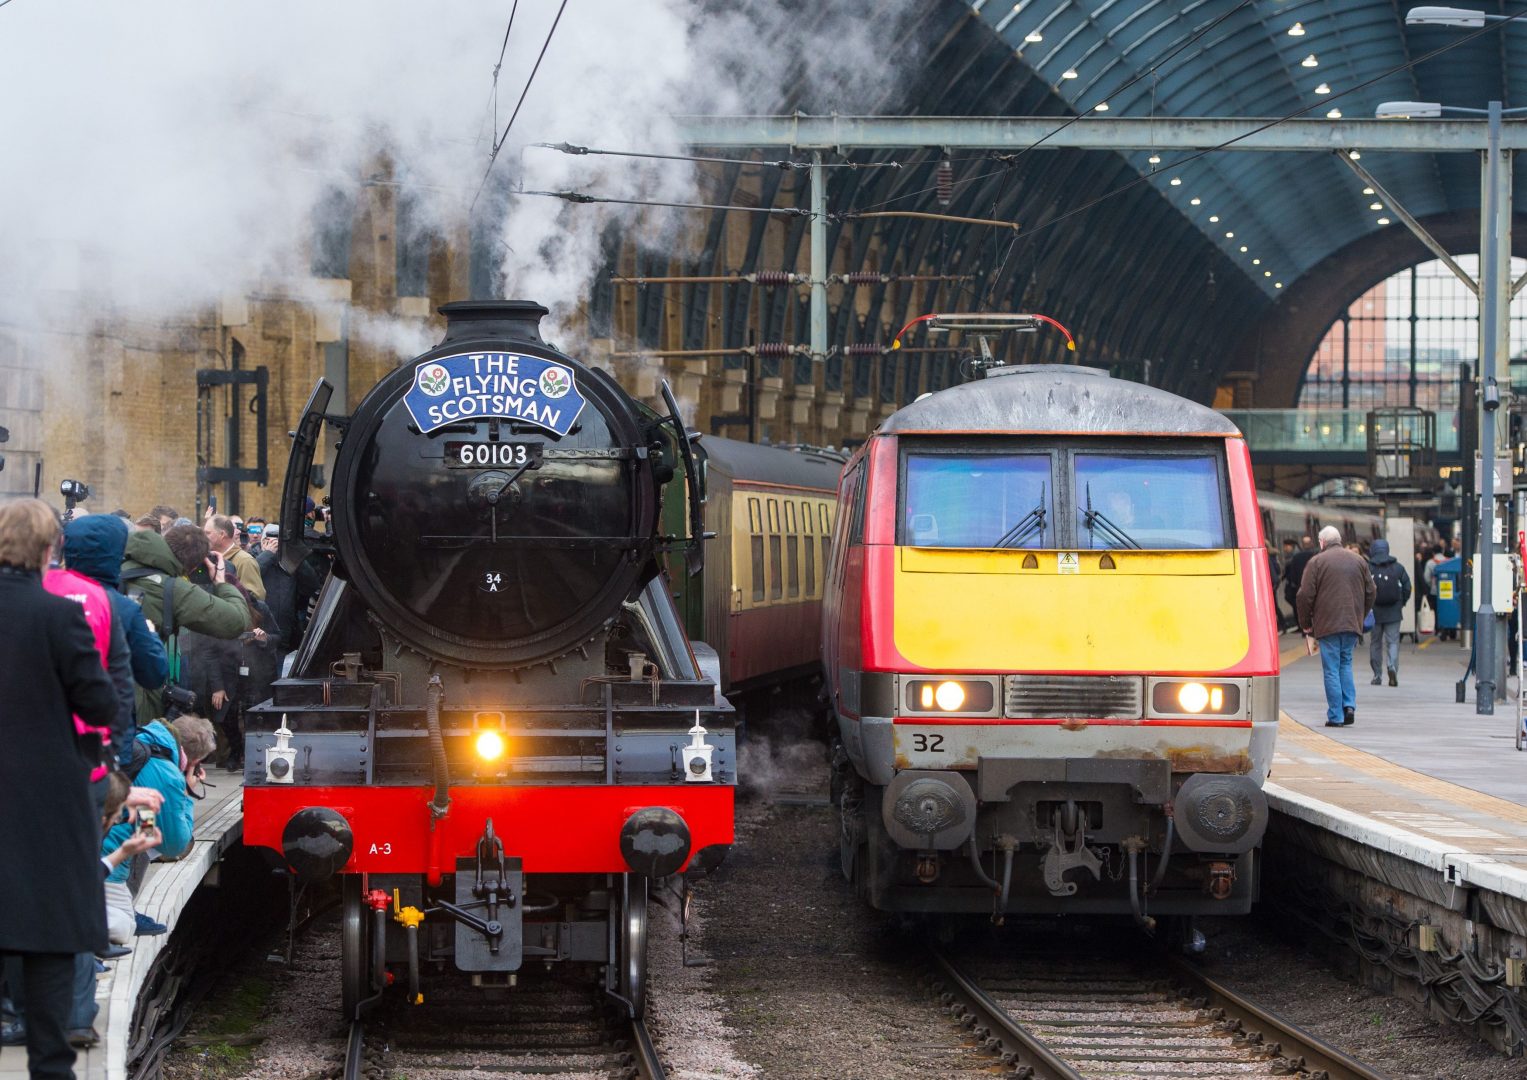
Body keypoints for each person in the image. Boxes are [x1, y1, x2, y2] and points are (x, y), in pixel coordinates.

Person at [0, 499, 118, 1080]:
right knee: (46, 935)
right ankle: (50, 1063)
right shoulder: (58, 617)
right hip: (45, 797)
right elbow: (98, 702)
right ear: (49, 551)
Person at [99, 716, 213, 945]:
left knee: (148, 831)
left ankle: (120, 907)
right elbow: (175, 845)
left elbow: (147, 823)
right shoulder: (168, 775)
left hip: (96, 844)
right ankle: (96, 921)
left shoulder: (145, 740)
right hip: (104, 862)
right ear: (194, 761)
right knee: (123, 929)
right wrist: (187, 795)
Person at [119, 523, 251, 721]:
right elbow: (236, 621)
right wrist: (221, 583)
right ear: (194, 566)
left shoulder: (119, 564)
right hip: (133, 696)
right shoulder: (172, 589)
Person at [61, 514, 169, 732]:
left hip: (50, 728)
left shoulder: (46, 595)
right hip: (106, 735)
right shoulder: (123, 608)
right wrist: (151, 635)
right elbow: (154, 673)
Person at [1297, 525, 1377, 727]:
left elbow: (1304, 595)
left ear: (1322, 542)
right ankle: (1349, 706)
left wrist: (1306, 624)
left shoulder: (1316, 562)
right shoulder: (1359, 560)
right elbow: (1371, 591)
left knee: (1331, 669)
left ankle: (1336, 715)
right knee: (1345, 663)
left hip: (1328, 624)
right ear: (1339, 540)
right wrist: (1361, 613)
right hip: (1351, 624)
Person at [1367, 539, 1413, 687]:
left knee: (1375, 643)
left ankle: (1377, 675)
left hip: (1374, 612)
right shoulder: (1398, 568)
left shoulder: (1368, 568)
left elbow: (1361, 589)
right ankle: (1392, 666)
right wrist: (1401, 602)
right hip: (1393, 612)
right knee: (1392, 642)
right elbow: (1407, 587)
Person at [203, 513, 265, 601]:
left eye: (207, 533)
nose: (204, 537)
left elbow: (256, 598)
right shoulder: (209, 559)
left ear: (222, 534)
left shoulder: (245, 561)